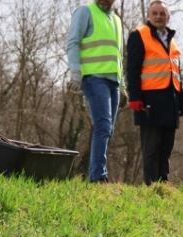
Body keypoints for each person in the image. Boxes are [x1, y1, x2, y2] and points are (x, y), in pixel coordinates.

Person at [126, 1, 183, 185]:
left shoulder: (172, 40)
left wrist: (181, 98)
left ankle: (163, 183)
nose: (158, 17)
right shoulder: (139, 35)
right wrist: (135, 96)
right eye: (155, 13)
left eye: (162, 13)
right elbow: (132, 68)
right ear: (149, 16)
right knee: (151, 147)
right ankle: (151, 186)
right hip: (149, 99)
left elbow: (176, 72)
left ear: (168, 17)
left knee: (166, 147)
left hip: (170, 100)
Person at [67, 0, 127, 183]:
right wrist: (76, 73)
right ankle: (98, 176)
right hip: (93, 78)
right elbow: (73, 43)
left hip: (113, 82)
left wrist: (123, 86)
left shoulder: (117, 20)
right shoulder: (85, 12)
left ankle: (97, 173)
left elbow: (118, 56)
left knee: (108, 129)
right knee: (103, 126)